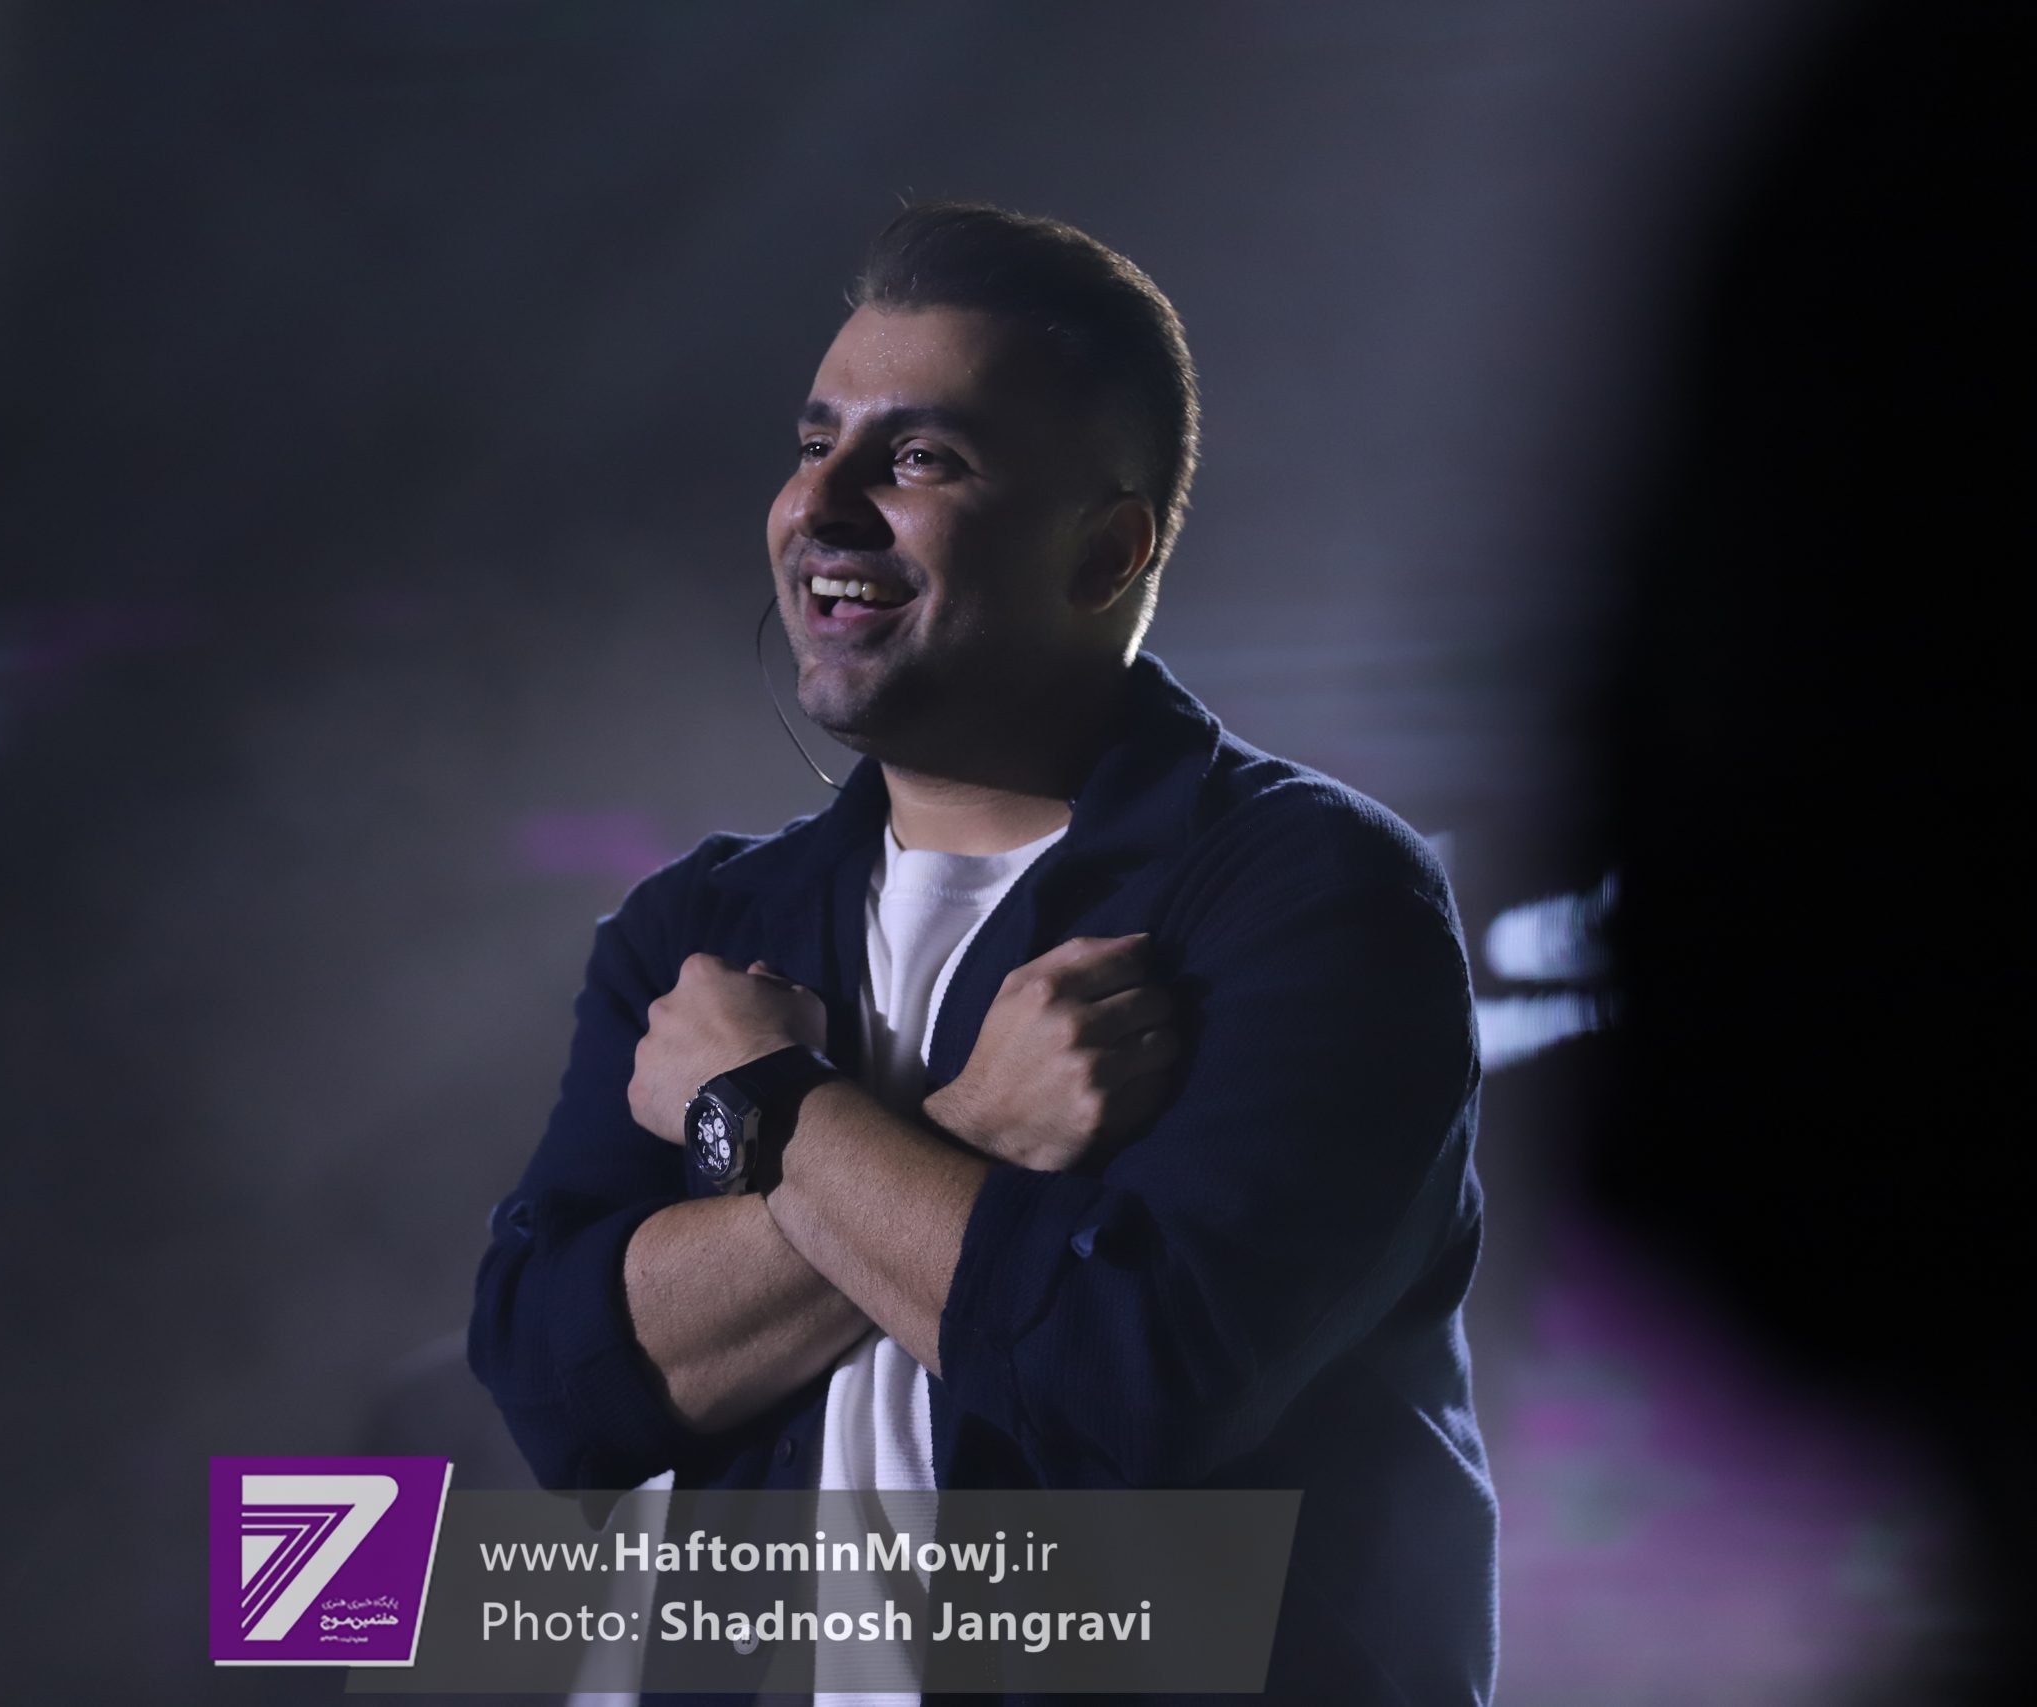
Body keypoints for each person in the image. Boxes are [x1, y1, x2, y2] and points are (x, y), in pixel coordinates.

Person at [468, 202, 1496, 1704]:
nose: (819, 505)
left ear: (1106, 551)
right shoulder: (699, 935)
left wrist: (764, 1109)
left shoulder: (1311, 896)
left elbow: (1133, 1388)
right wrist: (964, 1130)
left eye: (920, 458)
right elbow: (565, 1392)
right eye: (814, 443)